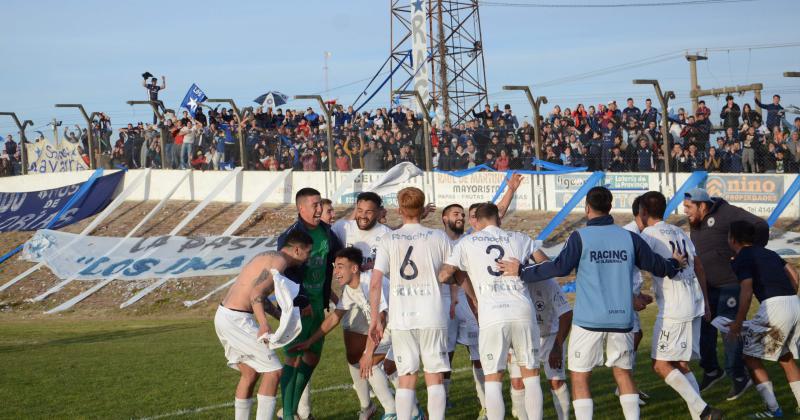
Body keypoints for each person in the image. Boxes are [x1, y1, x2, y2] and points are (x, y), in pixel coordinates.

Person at [498, 186, 686, 420]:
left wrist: (522, 271)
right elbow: (658, 266)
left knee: (579, 376)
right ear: (610, 208)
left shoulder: (580, 237)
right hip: (622, 319)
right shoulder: (629, 237)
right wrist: (675, 264)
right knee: (623, 374)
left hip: (589, 320)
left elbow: (559, 268)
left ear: (587, 208)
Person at [439, 202, 543, 420]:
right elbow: (545, 264)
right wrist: (522, 270)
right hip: (522, 310)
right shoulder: (519, 238)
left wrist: (469, 290)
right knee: (531, 375)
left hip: (492, 313)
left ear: (477, 219)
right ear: (499, 219)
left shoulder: (467, 242)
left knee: (493, 378)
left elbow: (446, 274)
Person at [368, 187, 452, 420]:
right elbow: (452, 271)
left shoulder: (389, 239)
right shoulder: (438, 236)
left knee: (406, 376)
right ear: (424, 208)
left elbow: (375, 283)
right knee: (434, 374)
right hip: (432, 314)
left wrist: (375, 319)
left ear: (399, 208)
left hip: (402, 317)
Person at [637, 191, 721, 419]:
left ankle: (704, 411)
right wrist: (705, 302)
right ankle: (700, 416)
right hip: (693, 300)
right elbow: (700, 267)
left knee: (660, 364)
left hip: (674, 307)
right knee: (681, 364)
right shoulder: (679, 231)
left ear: (643, 212)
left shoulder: (648, 236)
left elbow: (636, 265)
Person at [214, 230, 313, 420]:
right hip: (238, 320)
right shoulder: (280, 262)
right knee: (274, 371)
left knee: (250, 373)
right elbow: (256, 294)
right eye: (308, 253)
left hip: (225, 316)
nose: (307, 258)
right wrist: (263, 324)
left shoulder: (268, 257)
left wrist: (278, 316)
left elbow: (259, 295)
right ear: (298, 250)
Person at [291, 247, 398, 419]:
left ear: (354, 268)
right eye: (335, 266)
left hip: (398, 327)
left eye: (340, 266)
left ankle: (392, 412)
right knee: (390, 368)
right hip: (392, 329)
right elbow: (334, 317)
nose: (336, 272)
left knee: (368, 364)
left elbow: (382, 318)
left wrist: (369, 353)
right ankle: (413, 411)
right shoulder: (350, 289)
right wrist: (310, 341)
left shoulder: (368, 283)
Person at [683, 187, 768, 400]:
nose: (685, 211)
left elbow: (761, 225)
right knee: (703, 329)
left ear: (702, 205)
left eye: (688, 207)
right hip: (706, 287)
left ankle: (739, 376)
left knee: (730, 330)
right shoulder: (695, 223)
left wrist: (747, 253)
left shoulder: (726, 212)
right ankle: (712, 370)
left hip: (731, 284)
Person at [278, 188, 343, 420]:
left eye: (320, 205)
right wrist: (300, 298)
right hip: (299, 307)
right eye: (315, 205)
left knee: (312, 357)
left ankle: (292, 409)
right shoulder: (291, 235)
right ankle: (287, 414)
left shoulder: (326, 232)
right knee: (294, 356)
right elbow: (283, 271)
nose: (319, 209)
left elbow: (338, 256)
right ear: (301, 208)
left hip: (318, 305)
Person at [329, 193, 396, 417]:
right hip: (354, 295)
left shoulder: (386, 234)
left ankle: (396, 406)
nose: (363, 216)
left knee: (374, 356)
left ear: (379, 212)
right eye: (360, 210)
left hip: (380, 299)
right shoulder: (342, 228)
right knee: (354, 355)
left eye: (369, 211)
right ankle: (367, 405)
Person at [727, 220, 800, 418]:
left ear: (733, 239)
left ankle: (773, 410)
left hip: (775, 307)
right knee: (785, 357)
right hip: (794, 303)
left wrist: (738, 322)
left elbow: (747, 289)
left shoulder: (742, 257)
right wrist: (788, 294)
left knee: (750, 357)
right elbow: (793, 272)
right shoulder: (769, 253)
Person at [439, 203, 486, 418]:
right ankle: (443, 398)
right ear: (444, 217)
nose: (460, 217)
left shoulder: (470, 241)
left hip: (467, 301)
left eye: (462, 214)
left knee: (478, 353)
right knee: (444, 354)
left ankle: (485, 403)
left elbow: (497, 213)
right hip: (442, 301)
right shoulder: (436, 240)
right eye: (455, 213)